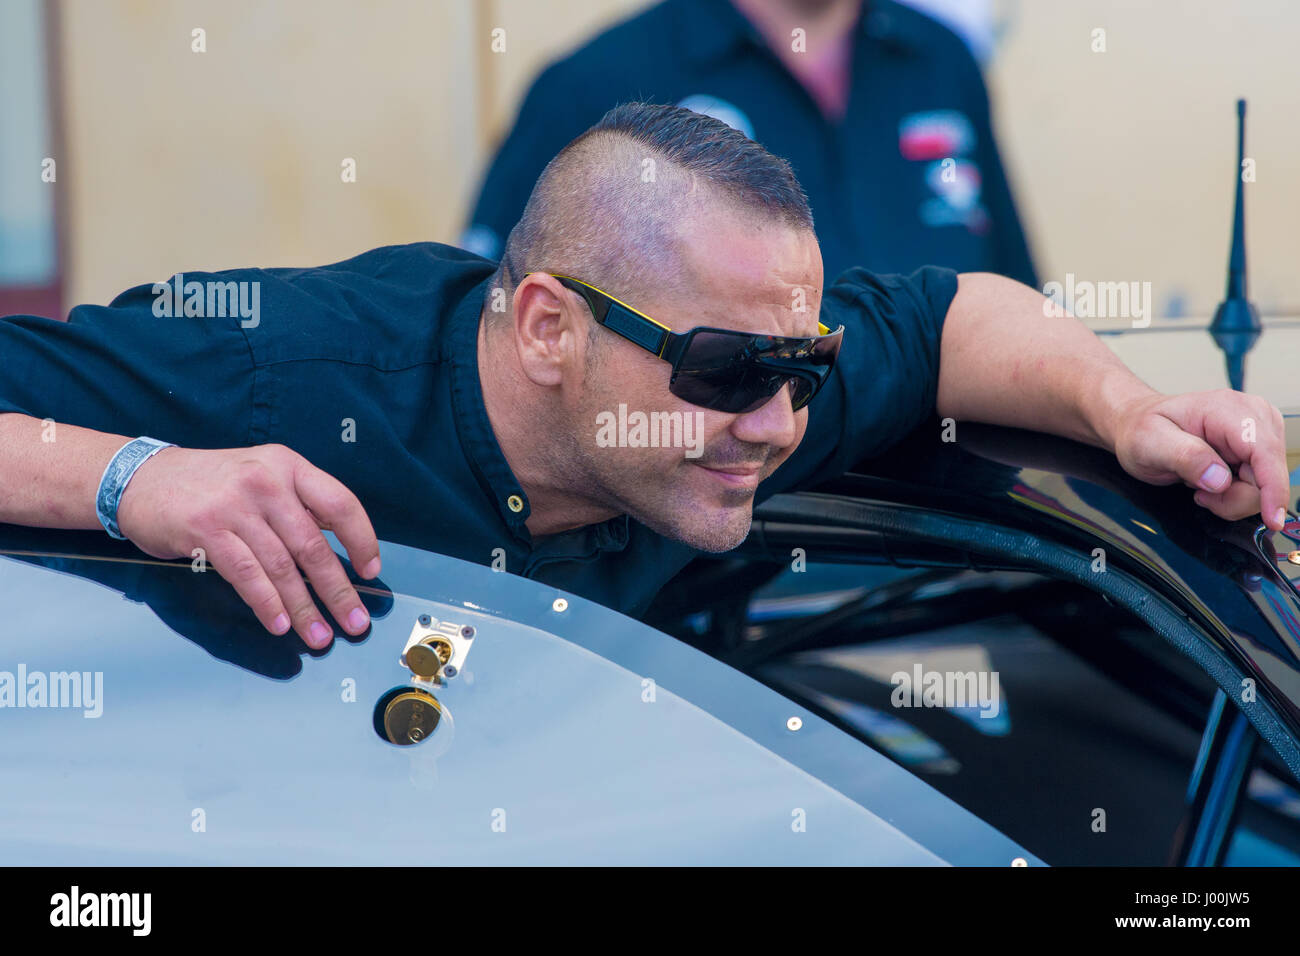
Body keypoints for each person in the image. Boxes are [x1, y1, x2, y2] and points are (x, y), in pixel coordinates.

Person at [0, 104, 1288, 653]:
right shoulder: (279, 369)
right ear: (551, 330)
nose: (778, 424)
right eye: (729, 371)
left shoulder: (746, 385)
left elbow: (955, 314)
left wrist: (1137, 412)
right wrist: (134, 477)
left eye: (804, 368)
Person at [463, 0, 1037, 286]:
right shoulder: (593, 84)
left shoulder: (942, 62)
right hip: (729, 506)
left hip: (955, 504)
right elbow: (489, 327)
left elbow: (1020, 297)